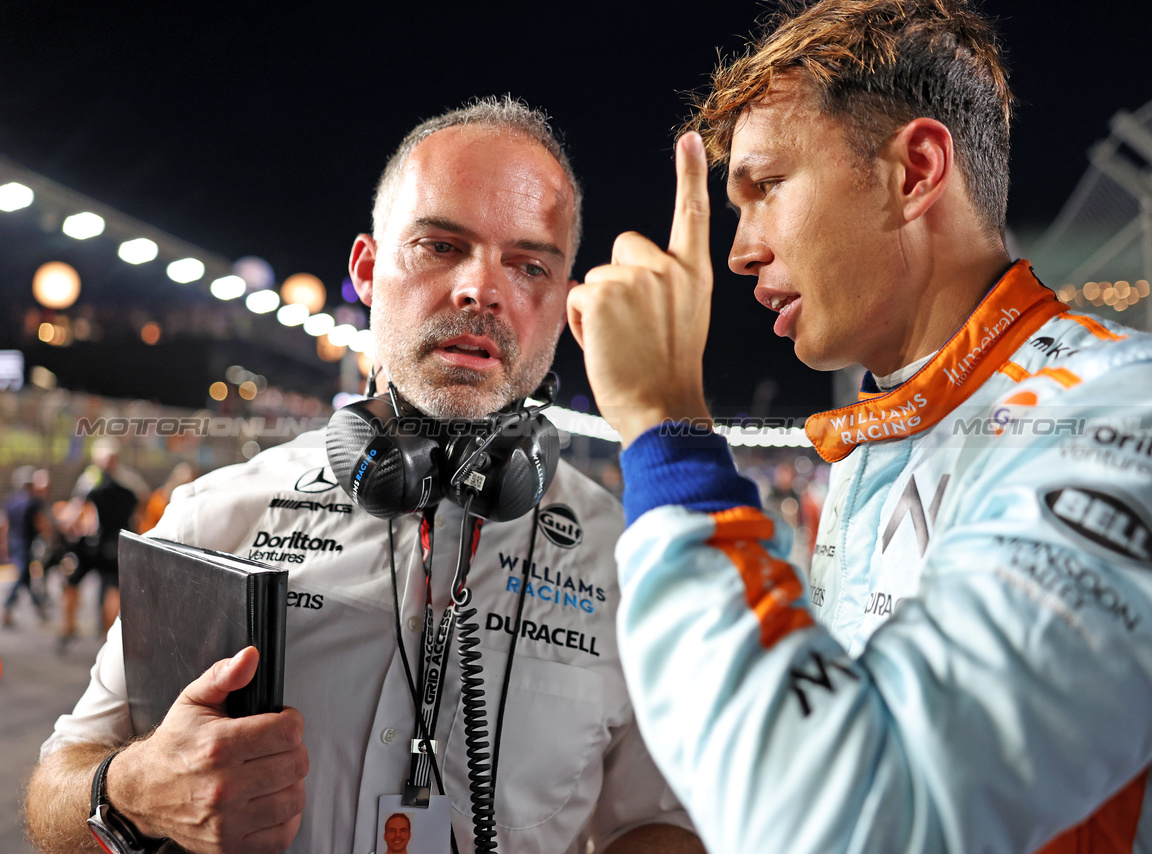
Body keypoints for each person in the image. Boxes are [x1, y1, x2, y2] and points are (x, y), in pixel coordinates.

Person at [565, 2, 1152, 852]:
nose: (740, 250)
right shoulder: (889, 437)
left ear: (915, 172)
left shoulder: (1149, 411)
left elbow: (854, 821)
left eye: (767, 189)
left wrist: (665, 433)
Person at [26, 98, 700, 854]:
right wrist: (132, 790)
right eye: (442, 246)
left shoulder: (630, 558)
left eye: (528, 263)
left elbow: (660, 822)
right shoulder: (220, 516)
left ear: (565, 302)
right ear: (369, 271)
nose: (482, 289)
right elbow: (56, 791)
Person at [60, 441, 140, 643]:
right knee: (105, 586)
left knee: (110, 588)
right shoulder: (128, 479)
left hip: (100, 542)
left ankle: (100, 632)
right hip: (116, 542)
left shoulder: (92, 479)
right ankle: (79, 628)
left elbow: (76, 509)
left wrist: (71, 527)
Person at [3, 466, 51, 626]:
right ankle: (8, 608)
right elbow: (40, 523)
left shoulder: (11, 500)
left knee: (26, 578)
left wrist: (5, 545)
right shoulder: (33, 502)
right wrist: (52, 537)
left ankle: (39, 607)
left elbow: (5, 525)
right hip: (26, 543)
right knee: (22, 577)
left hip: (14, 542)